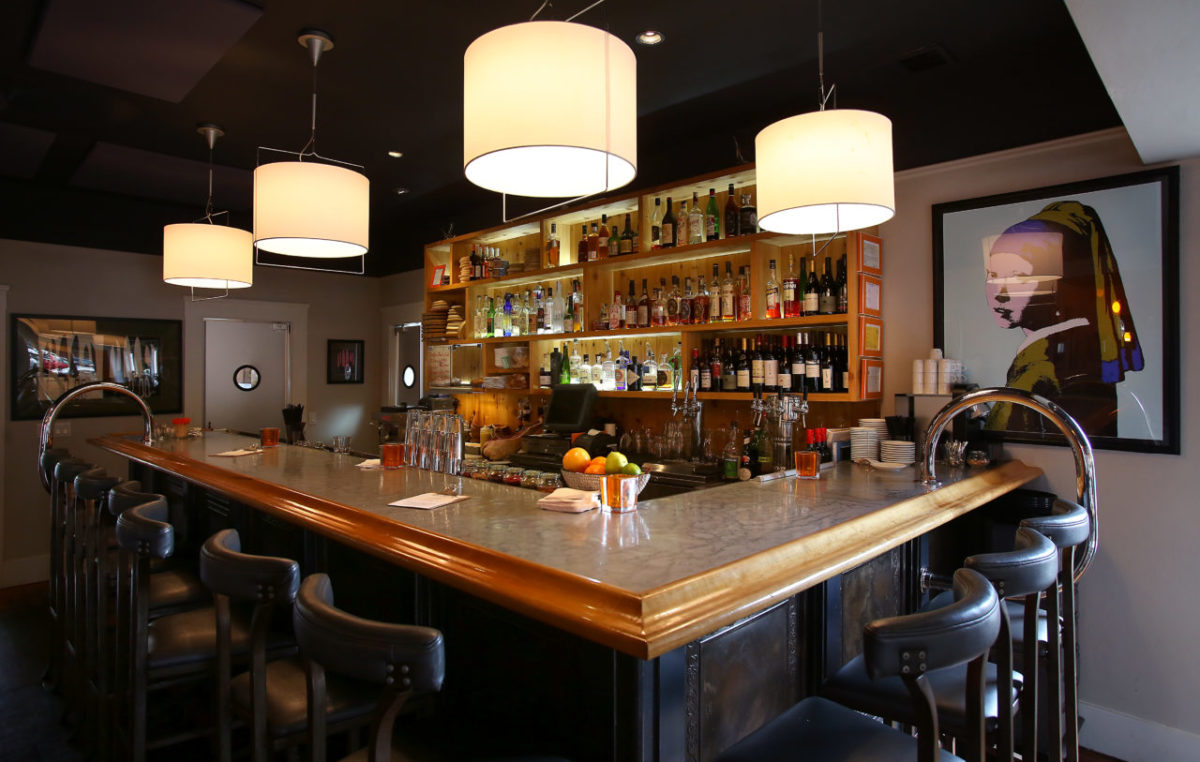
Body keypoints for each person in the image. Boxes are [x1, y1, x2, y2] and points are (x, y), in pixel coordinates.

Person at [983, 201, 1142, 437]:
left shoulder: (1041, 367)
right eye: (993, 276)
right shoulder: (1084, 351)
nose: (1001, 293)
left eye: (1020, 278)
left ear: (1059, 284)